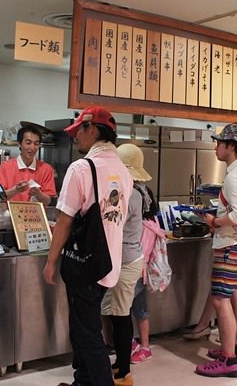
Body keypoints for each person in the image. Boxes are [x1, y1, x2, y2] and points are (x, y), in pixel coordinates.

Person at [43, 106, 133, 386]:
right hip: (108, 264)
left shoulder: (81, 168)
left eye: (77, 131)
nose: (74, 138)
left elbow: (65, 220)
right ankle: (82, 381)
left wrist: (51, 261)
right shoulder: (124, 171)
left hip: (83, 262)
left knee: (87, 332)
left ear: (91, 128)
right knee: (83, 326)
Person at [182, 123, 237, 341]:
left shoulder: (235, 176)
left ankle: (229, 358)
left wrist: (214, 220)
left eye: (219, 142)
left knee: (220, 299)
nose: (215, 147)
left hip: (230, 244)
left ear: (231, 146)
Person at [100, 143, 148, 386]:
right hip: (128, 259)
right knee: (115, 313)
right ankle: (120, 363)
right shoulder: (137, 190)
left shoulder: (127, 192)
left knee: (120, 316)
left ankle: (124, 374)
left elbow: (110, 221)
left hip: (126, 260)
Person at [0, 124, 56, 205]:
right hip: (10, 215)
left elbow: (48, 201)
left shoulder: (46, 169)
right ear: (19, 144)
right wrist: (16, 190)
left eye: (36, 144)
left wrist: (39, 194)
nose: (32, 147)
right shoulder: (6, 167)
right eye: (28, 143)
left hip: (35, 216)